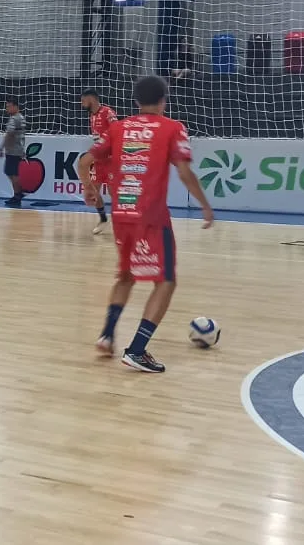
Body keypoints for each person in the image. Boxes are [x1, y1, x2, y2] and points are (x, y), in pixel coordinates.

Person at [78, 76, 214, 374]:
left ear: (136, 101)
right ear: (164, 100)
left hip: (121, 214)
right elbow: (185, 172)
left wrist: (89, 188)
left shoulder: (118, 127)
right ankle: (137, 350)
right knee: (165, 281)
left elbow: (83, 160)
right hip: (151, 216)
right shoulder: (172, 127)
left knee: (126, 276)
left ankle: (107, 335)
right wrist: (205, 205)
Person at [81, 89, 117, 234]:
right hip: (99, 161)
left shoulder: (107, 112)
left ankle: (122, 220)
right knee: (93, 190)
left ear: (91, 99)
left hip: (111, 160)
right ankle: (103, 219)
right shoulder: (92, 116)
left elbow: (117, 131)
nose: (81, 104)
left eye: (83, 100)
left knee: (113, 192)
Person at [0, 98, 28, 207]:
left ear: (16, 106)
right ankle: (18, 194)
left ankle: (18, 194)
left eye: (9, 106)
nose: (7, 109)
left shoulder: (14, 119)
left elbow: (9, 134)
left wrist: (1, 148)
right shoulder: (21, 118)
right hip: (18, 149)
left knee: (12, 173)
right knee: (12, 173)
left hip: (13, 151)